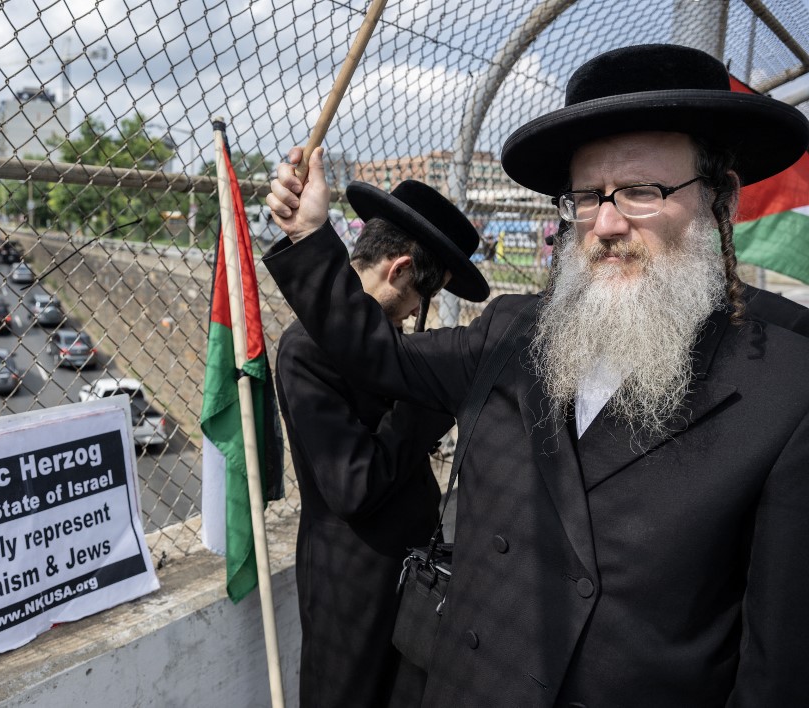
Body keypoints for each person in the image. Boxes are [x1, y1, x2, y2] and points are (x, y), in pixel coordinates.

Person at [264, 44, 809, 707]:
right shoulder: (516, 327)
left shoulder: (786, 392)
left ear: (718, 198)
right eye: (587, 197)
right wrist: (310, 236)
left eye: (642, 191)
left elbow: (775, 672)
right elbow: (375, 354)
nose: (607, 224)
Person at [276, 179, 488, 707]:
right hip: (349, 583)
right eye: (419, 297)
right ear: (399, 270)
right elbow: (354, 486)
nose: (414, 314)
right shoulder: (305, 349)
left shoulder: (392, 341)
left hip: (410, 576)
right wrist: (431, 403)